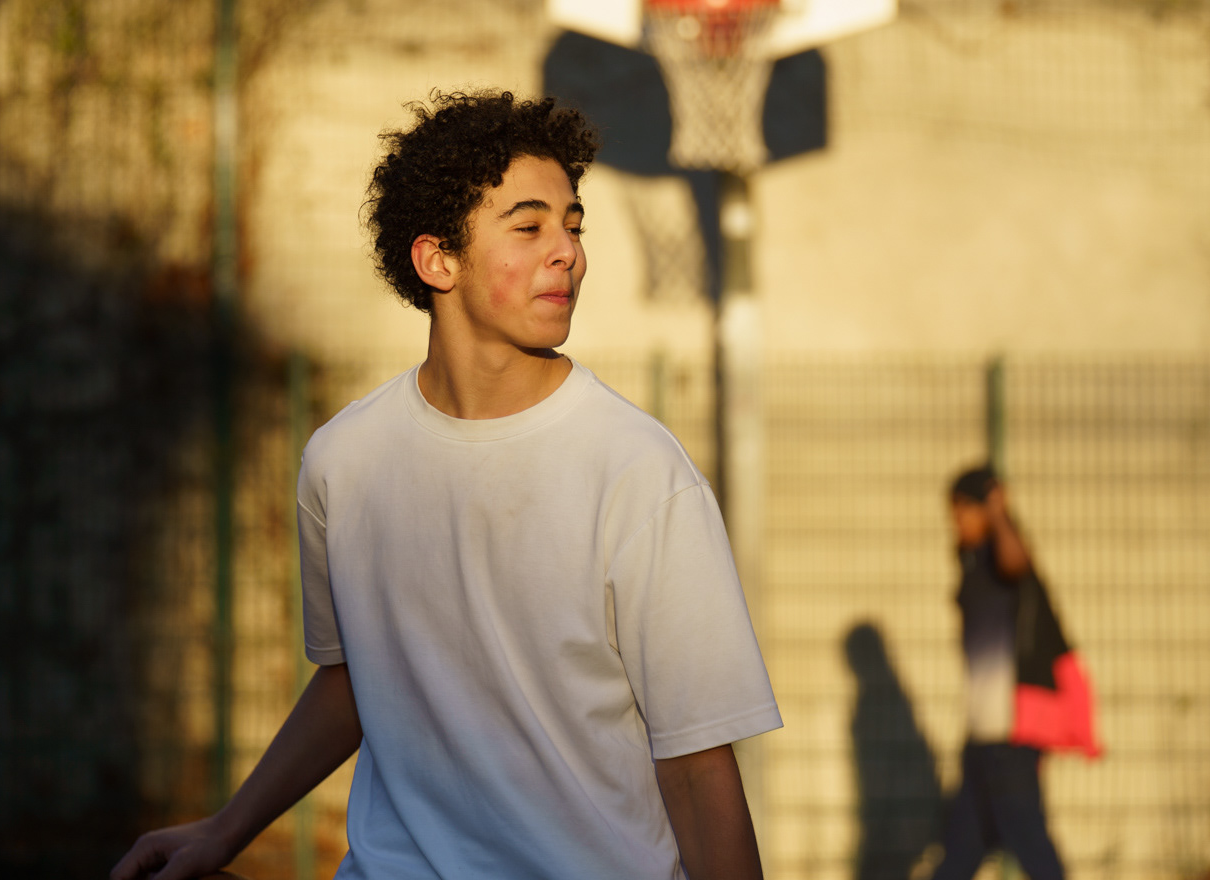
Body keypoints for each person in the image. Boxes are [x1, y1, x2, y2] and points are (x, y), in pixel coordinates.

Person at [111, 90, 781, 880]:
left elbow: (697, 765)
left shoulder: (639, 470)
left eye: (573, 225)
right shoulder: (343, 460)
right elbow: (355, 679)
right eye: (529, 227)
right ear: (437, 261)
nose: (566, 252)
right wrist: (225, 830)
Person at [931, 465, 1099, 880]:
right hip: (982, 739)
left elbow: (1017, 560)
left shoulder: (1005, 560)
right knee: (958, 856)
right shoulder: (973, 564)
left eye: (962, 510)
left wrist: (998, 512)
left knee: (1033, 848)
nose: (956, 521)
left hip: (1011, 738)